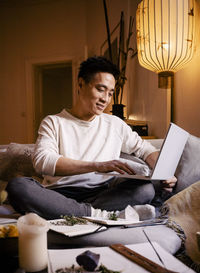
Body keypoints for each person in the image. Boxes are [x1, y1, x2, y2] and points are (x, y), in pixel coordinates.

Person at [6, 56, 177, 220]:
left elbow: (145, 150)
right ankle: (101, 215)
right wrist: (97, 166)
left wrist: (165, 171)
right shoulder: (54, 122)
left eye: (110, 93)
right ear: (81, 84)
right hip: (59, 194)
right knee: (18, 187)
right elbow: (43, 162)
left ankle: (79, 214)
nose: (105, 99)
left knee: (145, 190)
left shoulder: (115, 124)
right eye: (100, 89)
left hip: (101, 194)